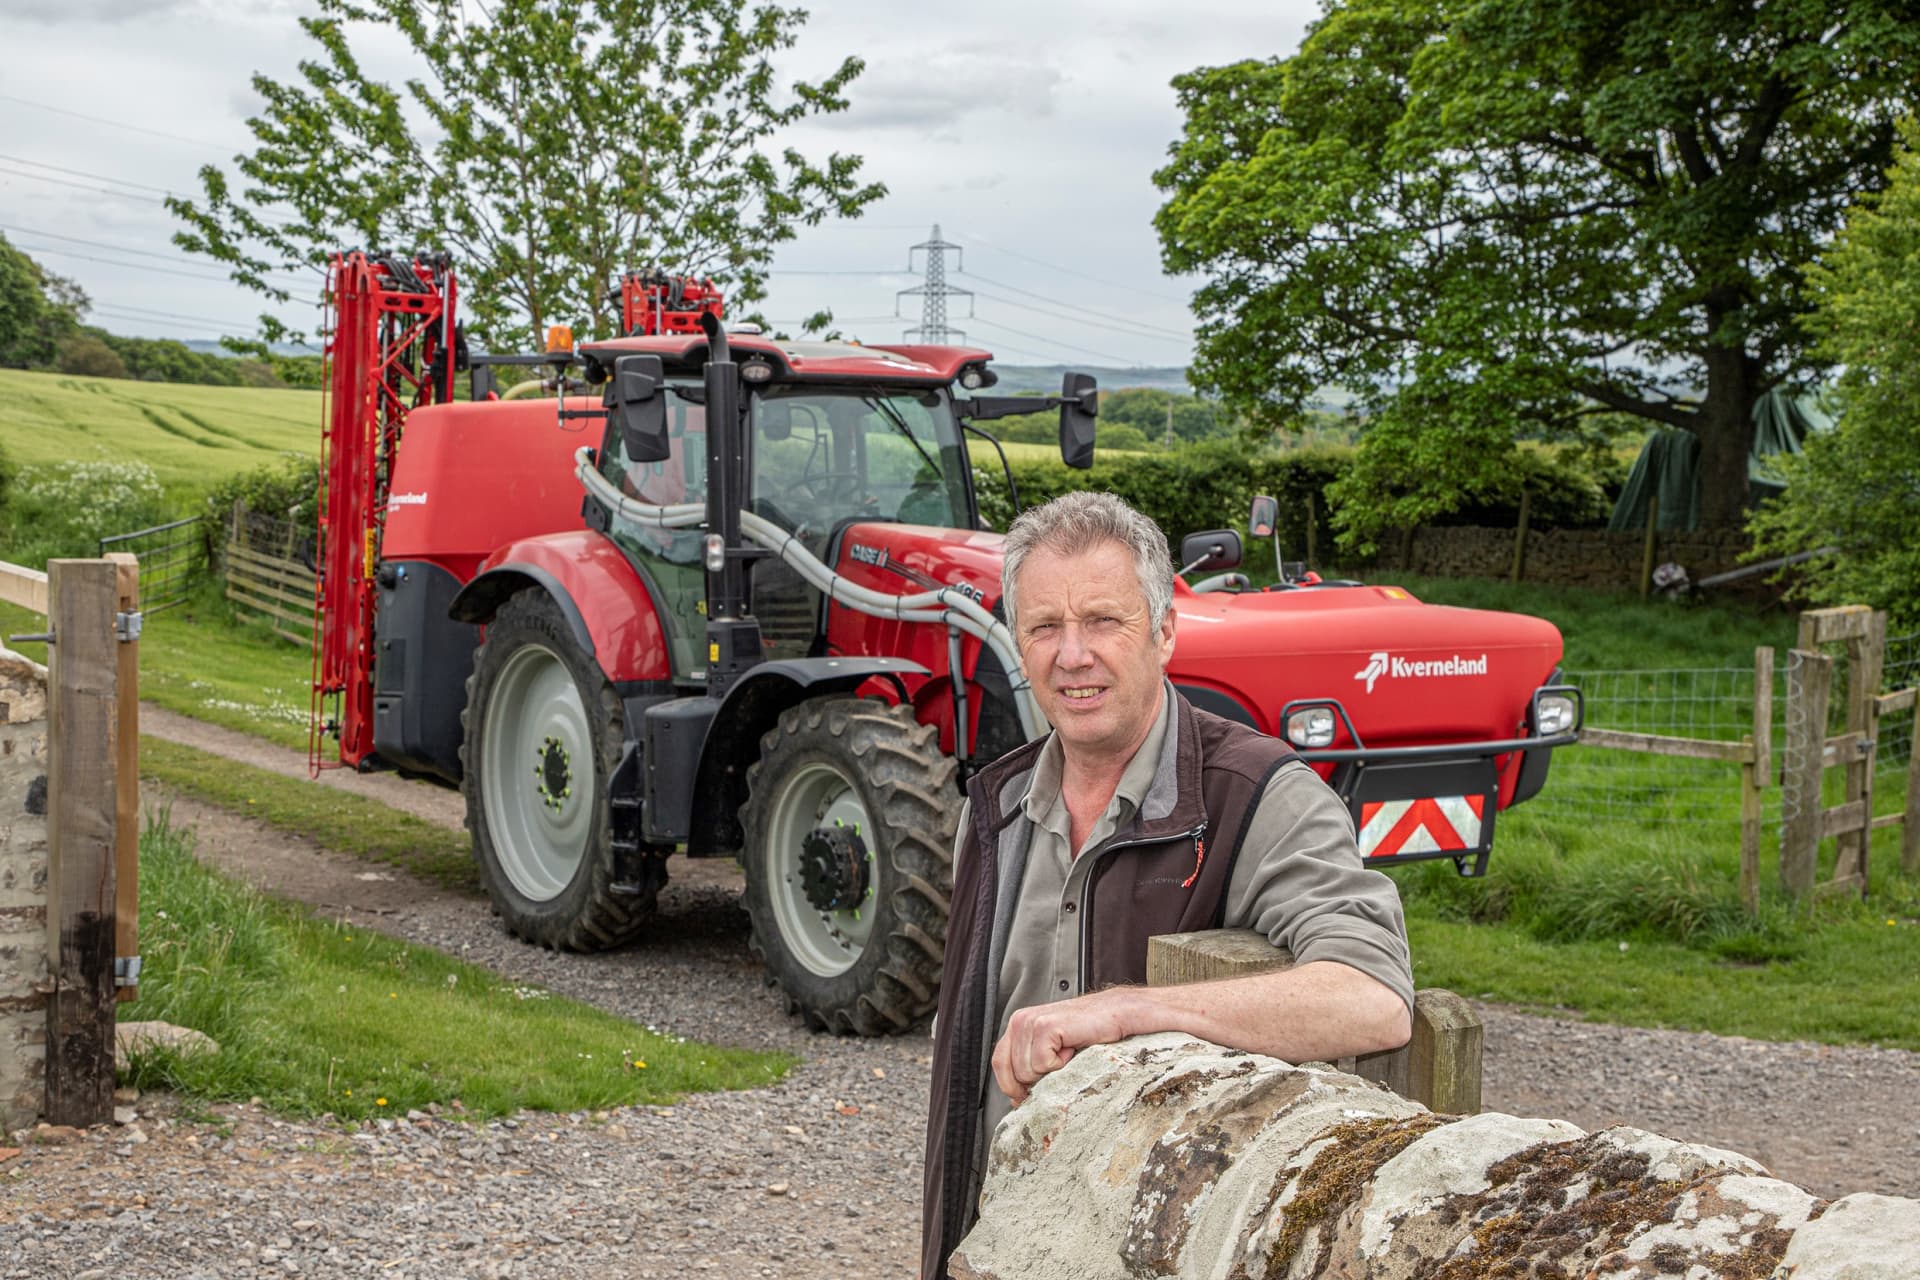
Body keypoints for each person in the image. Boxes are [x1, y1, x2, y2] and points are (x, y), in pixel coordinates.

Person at [921, 492, 1414, 1279]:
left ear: (1166, 631)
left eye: (1104, 622)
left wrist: (1129, 1010)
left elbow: (1372, 996)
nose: (1072, 654)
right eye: (1045, 627)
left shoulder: (1255, 795)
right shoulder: (993, 810)